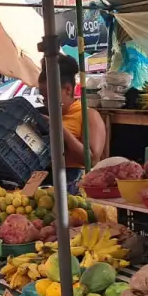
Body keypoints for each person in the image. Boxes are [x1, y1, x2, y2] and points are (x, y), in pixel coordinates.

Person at [39, 54, 107, 193]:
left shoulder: (89, 115)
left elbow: (92, 160)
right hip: (44, 181)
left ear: (68, 89)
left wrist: (60, 129)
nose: (46, 102)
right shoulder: (46, 116)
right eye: (43, 97)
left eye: (49, 95)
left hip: (73, 184)